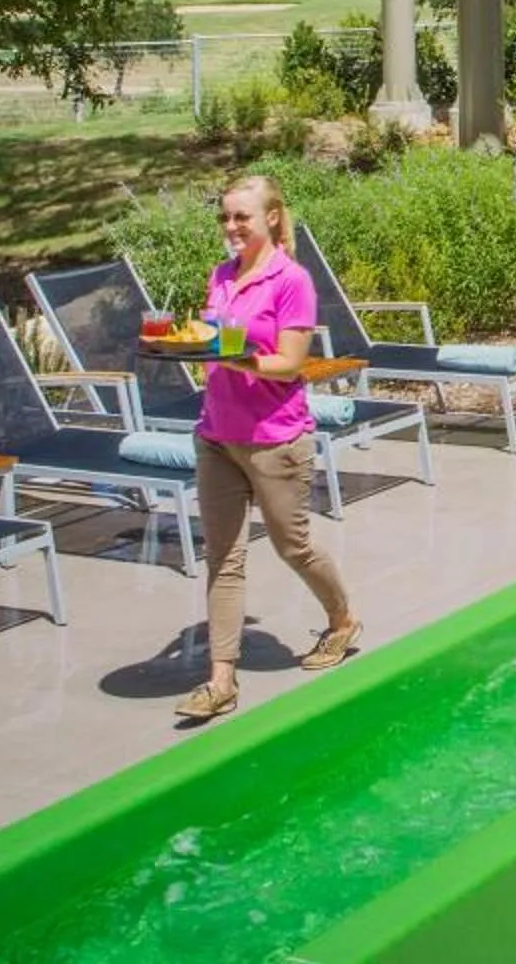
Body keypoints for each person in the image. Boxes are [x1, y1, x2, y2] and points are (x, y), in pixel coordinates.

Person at [175, 174, 363, 721]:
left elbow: (289, 363)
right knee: (223, 557)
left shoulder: (292, 280)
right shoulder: (221, 275)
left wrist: (237, 361)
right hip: (216, 435)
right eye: (225, 216)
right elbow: (213, 341)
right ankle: (221, 680)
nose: (231, 226)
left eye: (242, 217)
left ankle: (342, 620)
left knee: (292, 546)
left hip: (275, 439)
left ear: (272, 218)